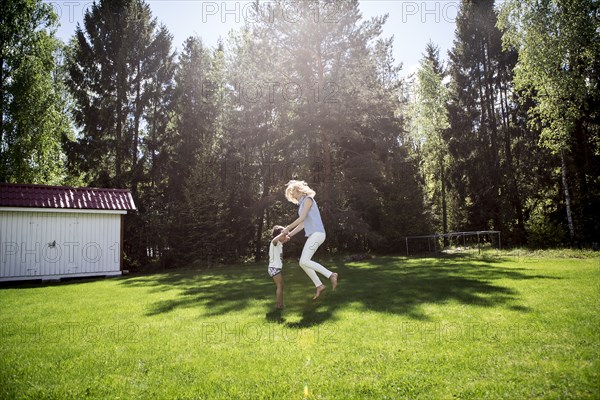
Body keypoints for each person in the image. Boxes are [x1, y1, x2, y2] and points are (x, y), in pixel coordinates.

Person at [282, 180, 338, 300]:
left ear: (298, 190)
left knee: (304, 261)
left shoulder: (308, 200)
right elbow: (302, 223)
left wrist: (287, 228)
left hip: (318, 234)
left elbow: (301, 218)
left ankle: (331, 275)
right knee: (303, 262)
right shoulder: (302, 204)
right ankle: (319, 285)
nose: (293, 197)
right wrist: (290, 235)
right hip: (314, 235)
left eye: (293, 193)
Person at [268, 225, 289, 309]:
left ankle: (279, 304)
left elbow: (287, 238)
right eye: (283, 235)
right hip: (274, 268)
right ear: (279, 235)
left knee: (281, 285)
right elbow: (274, 240)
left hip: (275, 268)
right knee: (280, 286)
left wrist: (286, 234)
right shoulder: (275, 243)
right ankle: (279, 305)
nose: (285, 237)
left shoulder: (280, 243)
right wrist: (282, 234)